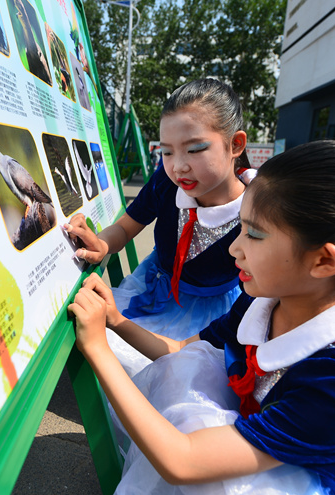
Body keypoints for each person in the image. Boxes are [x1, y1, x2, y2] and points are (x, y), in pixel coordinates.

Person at [69, 140, 335, 495]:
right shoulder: (264, 303)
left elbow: (183, 462)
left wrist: (97, 350)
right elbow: (182, 351)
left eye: (253, 234)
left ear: (324, 261)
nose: (235, 247)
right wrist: (116, 321)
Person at [64, 78, 253, 375]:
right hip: (149, 286)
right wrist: (102, 243)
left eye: (195, 149)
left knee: (175, 377)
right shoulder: (166, 183)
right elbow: (127, 227)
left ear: (236, 144)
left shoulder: (256, 213)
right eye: (166, 152)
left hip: (207, 315)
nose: (178, 166)